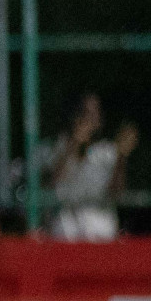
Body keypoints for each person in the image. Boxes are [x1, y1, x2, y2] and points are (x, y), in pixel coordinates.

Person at [48, 93, 136, 241]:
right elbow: (51, 183)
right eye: (85, 113)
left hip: (100, 231)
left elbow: (116, 193)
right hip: (66, 233)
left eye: (95, 113)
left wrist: (122, 157)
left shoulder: (109, 151)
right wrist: (74, 144)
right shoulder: (59, 146)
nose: (90, 119)